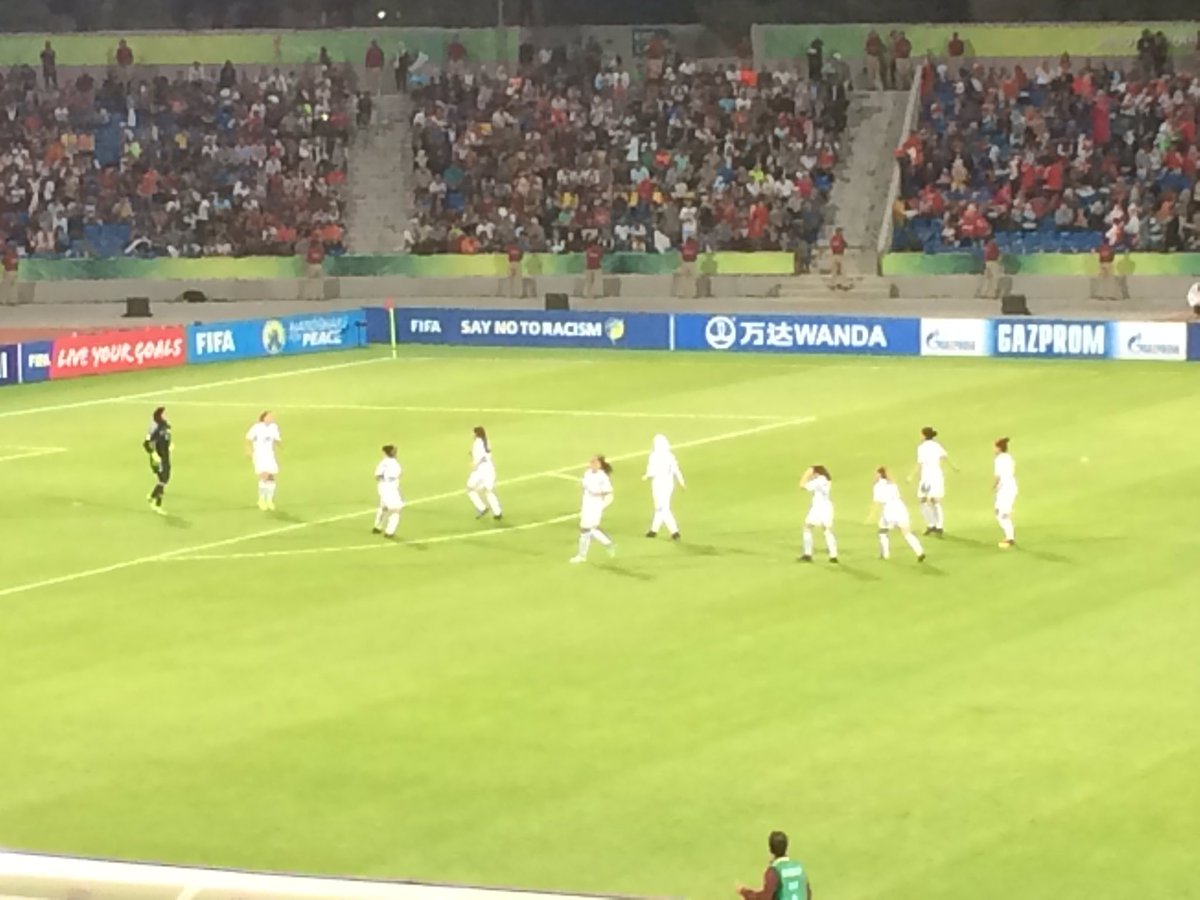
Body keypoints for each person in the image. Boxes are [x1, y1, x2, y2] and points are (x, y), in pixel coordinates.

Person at [870, 467, 925, 562]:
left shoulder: (877, 486)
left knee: (883, 531)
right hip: (900, 508)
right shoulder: (893, 484)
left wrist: (871, 515)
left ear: (879, 475)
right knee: (907, 533)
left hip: (889, 510)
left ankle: (885, 554)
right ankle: (919, 551)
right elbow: (894, 484)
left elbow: (877, 502)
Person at [737, 830, 811, 900]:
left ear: (770, 849)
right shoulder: (799, 867)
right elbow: (808, 893)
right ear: (787, 847)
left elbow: (765, 897)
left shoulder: (774, 871)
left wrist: (745, 892)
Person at [910, 426, 955, 536]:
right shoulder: (936, 445)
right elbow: (945, 457)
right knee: (934, 501)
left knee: (924, 500)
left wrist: (911, 475)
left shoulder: (921, 448)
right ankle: (937, 525)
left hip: (927, 478)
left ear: (924, 435)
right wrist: (954, 467)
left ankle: (933, 525)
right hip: (936, 476)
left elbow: (919, 463)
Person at [571, 455, 615, 563]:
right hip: (586, 503)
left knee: (587, 528)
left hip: (596, 504)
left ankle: (607, 544)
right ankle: (583, 555)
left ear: (600, 465)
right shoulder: (587, 473)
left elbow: (608, 491)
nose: (592, 464)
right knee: (586, 529)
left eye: (595, 462)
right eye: (591, 462)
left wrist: (596, 493)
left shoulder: (602, 476)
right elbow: (584, 485)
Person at [643, 434, 685, 540]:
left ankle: (674, 532)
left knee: (662, 508)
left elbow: (651, 471)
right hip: (668, 484)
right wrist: (681, 481)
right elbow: (676, 469)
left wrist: (646, 476)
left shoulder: (654, 456)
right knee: (661, 507)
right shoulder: (669, 455)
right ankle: (654, 530)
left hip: (658, 484)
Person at [799, 466, 838, 564]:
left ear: (816, 473)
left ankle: (808, 554)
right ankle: (833, 555)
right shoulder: (825, 480)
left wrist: (806, 474)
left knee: (807, 527)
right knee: (827, 530)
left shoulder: (818, 481)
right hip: (826, 507)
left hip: (818, 507)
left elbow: (802, 485)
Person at [245, 411, 282, 511]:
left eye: (271, 416)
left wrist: (281, 446)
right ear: (263, 418)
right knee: (264, 476)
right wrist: (248, 450)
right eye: (269, 416)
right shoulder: (257, 427)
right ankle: (261, 500)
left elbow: (276, 439)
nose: (271, 418)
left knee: (271, 477)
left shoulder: (274, 427)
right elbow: (248, 439)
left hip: (270, 455)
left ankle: (269, 500)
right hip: (259, 455)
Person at [467, 426, 503, 520]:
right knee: (488, 491)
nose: (471, 434)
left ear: (476, 433)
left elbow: (480, 457)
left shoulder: (477, 443)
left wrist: (474, 465)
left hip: (481, 469)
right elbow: (486, 453)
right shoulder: (486, 440)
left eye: (473, 432)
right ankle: (497, 512)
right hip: (490, 468)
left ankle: (482, 508)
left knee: (470, 488)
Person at [143, 406, 172, 515]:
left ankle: (153, 498)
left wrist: (170, 445)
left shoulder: (165, 427)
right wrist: (153, 454)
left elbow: (167, 438)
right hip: (158, 458)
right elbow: (146, 444)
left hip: (165, 456)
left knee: (165, 479)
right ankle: (155, 501)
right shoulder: (155, 430)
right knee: (163, 479)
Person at [373, 444, 403, 539]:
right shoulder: (395, 464)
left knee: (383, 507)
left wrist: (383, 479)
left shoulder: (383, 462)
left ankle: (377, 527)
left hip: (382, 486)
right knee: (396, 510)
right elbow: (397, 475)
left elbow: (377, 476)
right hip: (391, 488)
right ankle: (389, 532)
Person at [993, 437, 1018, 549]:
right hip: (1010, 486)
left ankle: (1010, 537)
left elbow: (998, 476)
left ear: (999, 448)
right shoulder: (1009, 457)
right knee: (1000, 512)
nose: (993, 449)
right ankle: (1009, 536)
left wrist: (994, 486)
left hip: (1005, 488)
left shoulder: (999, 460)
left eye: (995, 447)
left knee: (1002, 513)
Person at [303, 235, 325, 300]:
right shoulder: (321, 249)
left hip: (312, 265)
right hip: (319, 265)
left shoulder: (310, 249)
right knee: (320, 282)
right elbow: (323, 257)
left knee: (310, 282)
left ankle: (310, 296)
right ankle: (320, 296)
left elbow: (307, 258)